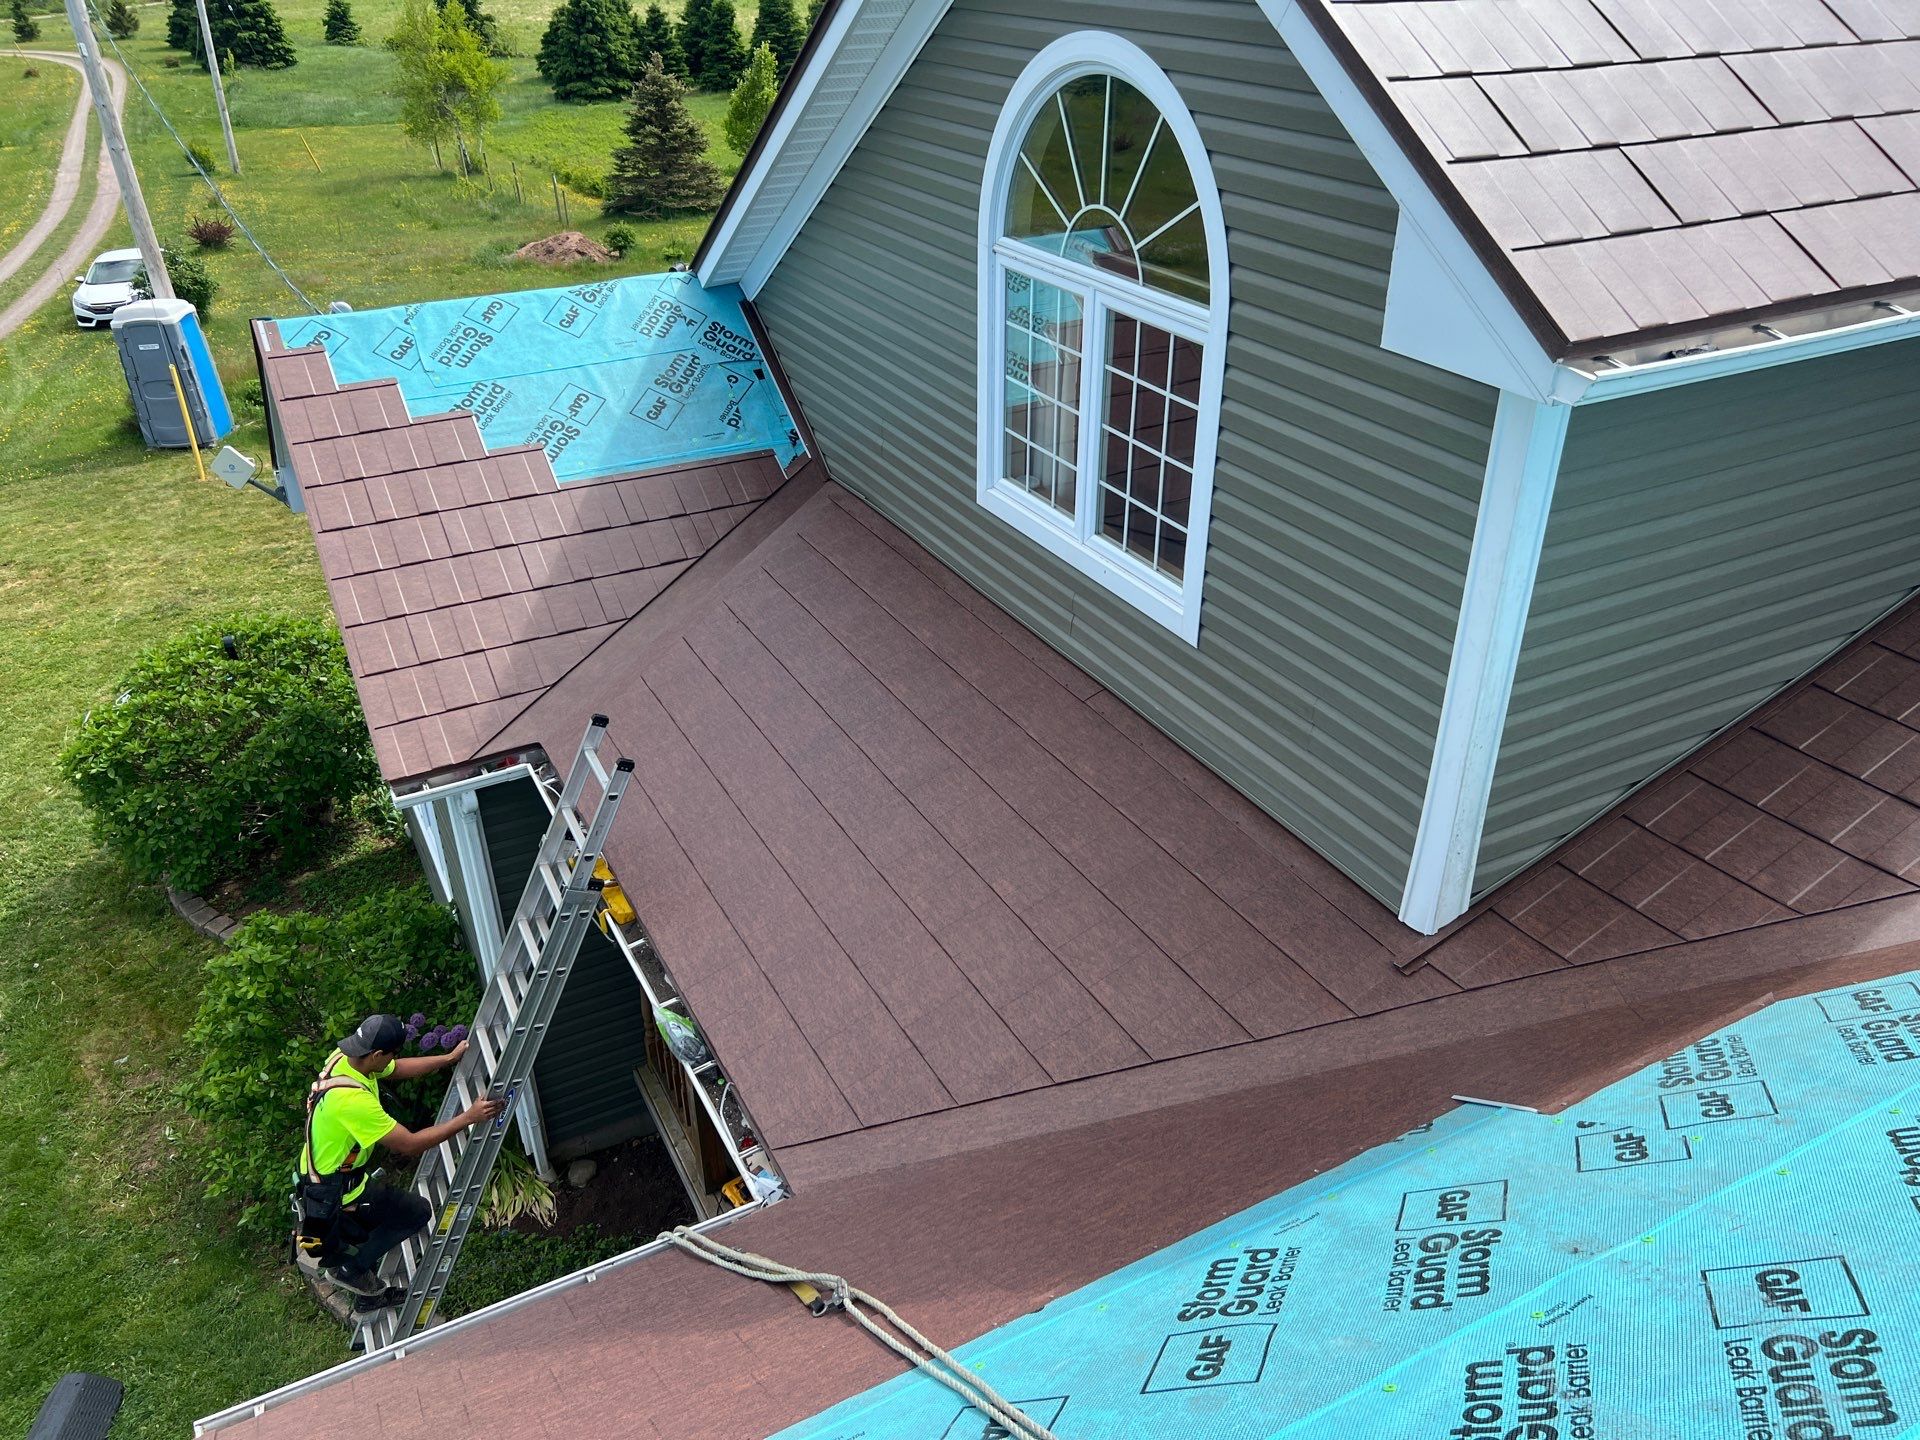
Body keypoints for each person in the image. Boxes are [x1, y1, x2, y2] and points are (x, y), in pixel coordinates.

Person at [294, 1013, 505, 1310]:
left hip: (319, 1170)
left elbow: (394, 1069)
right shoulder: (353, 1102)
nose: (395, 1059)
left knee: (384, 1214)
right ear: (377, 1054)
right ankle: (349, 1269)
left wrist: (447, 1059)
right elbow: (410, 1144)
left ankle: (366, 1297)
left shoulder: (345, 1058)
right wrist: (468, 1118)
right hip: (338, 1188)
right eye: (392, 1053)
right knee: (416, 1212)